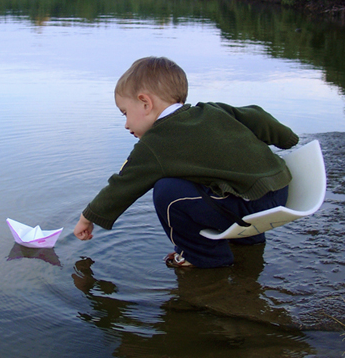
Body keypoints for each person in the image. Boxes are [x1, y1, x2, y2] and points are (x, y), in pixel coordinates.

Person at [74, 56, 299, 268]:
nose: (125, 124)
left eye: (124, 112)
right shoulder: (212, 109)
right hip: (279, 192)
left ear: (145, 103)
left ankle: (203, 257)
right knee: (215, 177)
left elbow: (123, 185)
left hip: (250, 208)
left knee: (167, 191)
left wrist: (88, 217)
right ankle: (248, 242)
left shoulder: (156, 143)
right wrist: (287, 139)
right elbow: (257, 116)